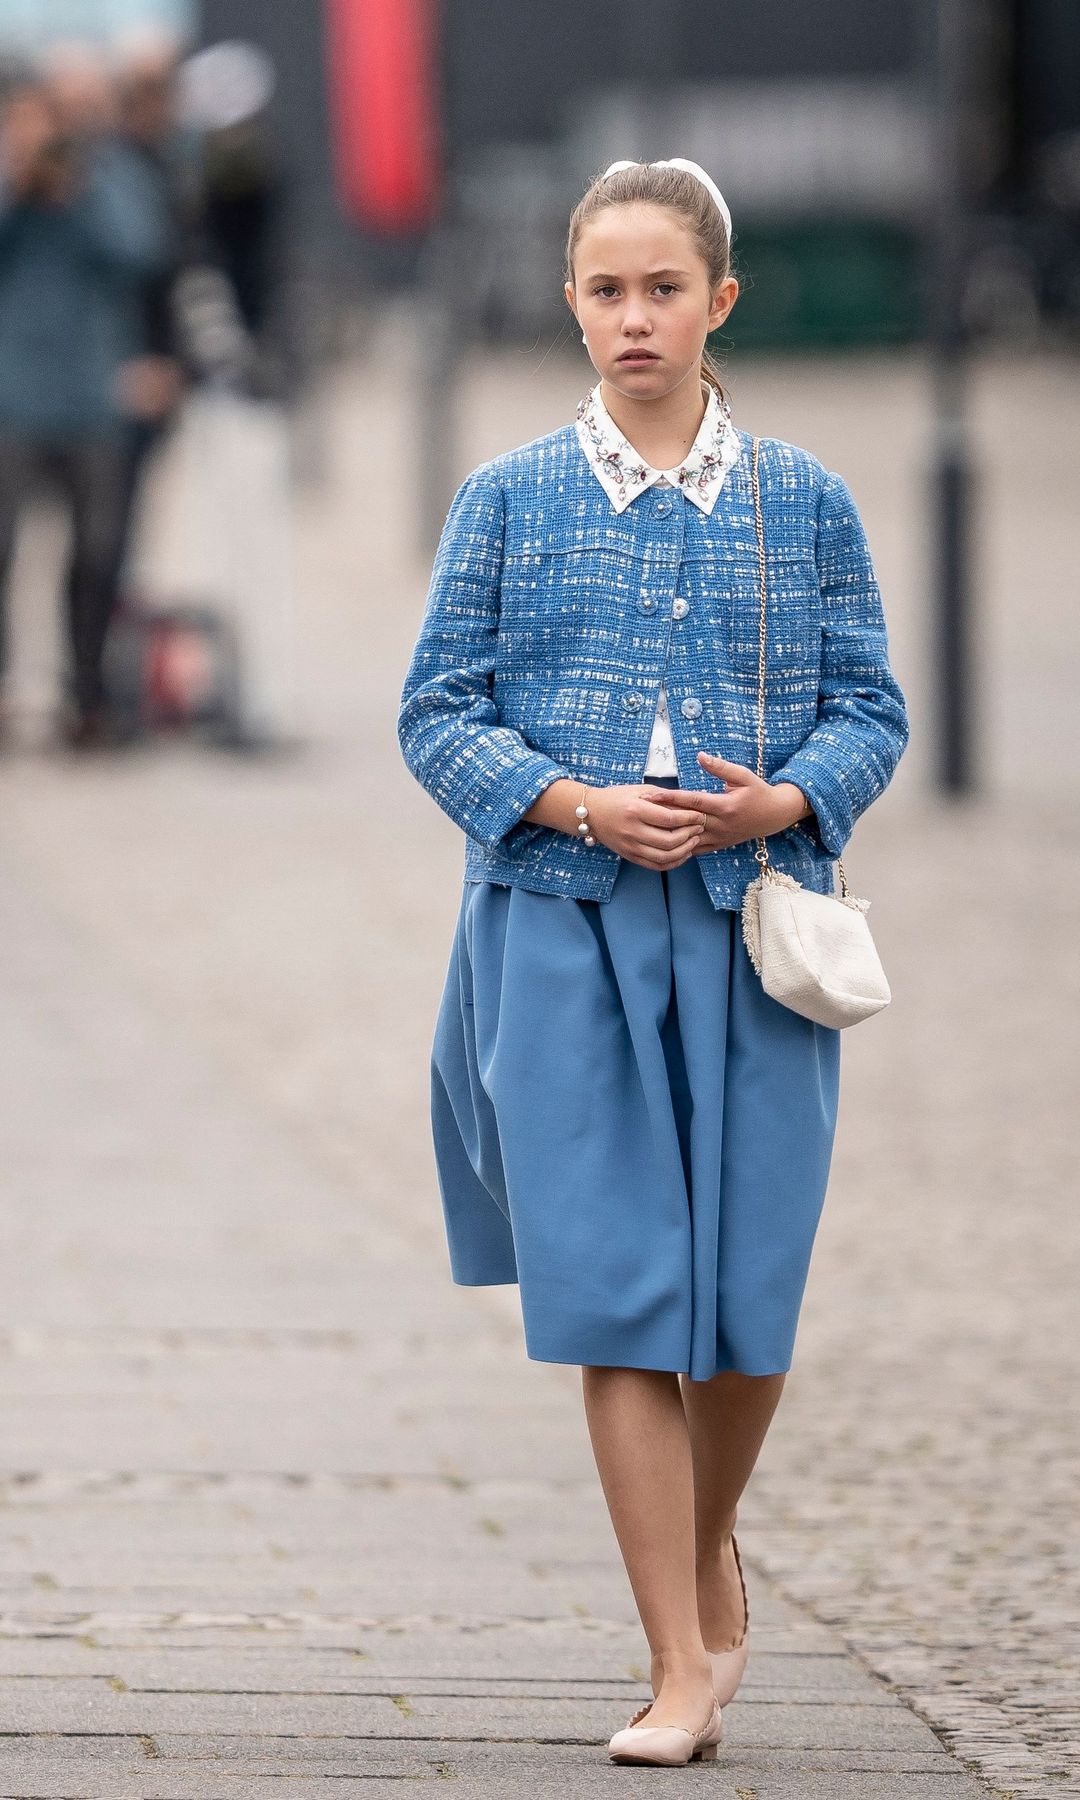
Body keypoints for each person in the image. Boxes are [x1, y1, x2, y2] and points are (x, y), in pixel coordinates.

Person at [397, 158, 910, 1768]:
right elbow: (434, 713)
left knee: (746, 1302)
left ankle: (703, 1552)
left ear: (719, 303)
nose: (635, 317)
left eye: (664, 289)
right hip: (557, 935)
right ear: (570, 303)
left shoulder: (805, 501)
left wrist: (788, 794)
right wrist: (565, 801)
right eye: (607, 290)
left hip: (757, 939)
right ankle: (678, 1659)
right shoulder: (506, 498)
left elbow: (872, 709)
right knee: (618, 1293)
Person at [0, 60, 169, 749]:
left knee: (99, 558)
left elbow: (141, 249)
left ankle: (89, 696)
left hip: (94, 399)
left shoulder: (112, 174)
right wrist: (19, 178)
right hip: (12, 399)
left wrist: (80, 185)